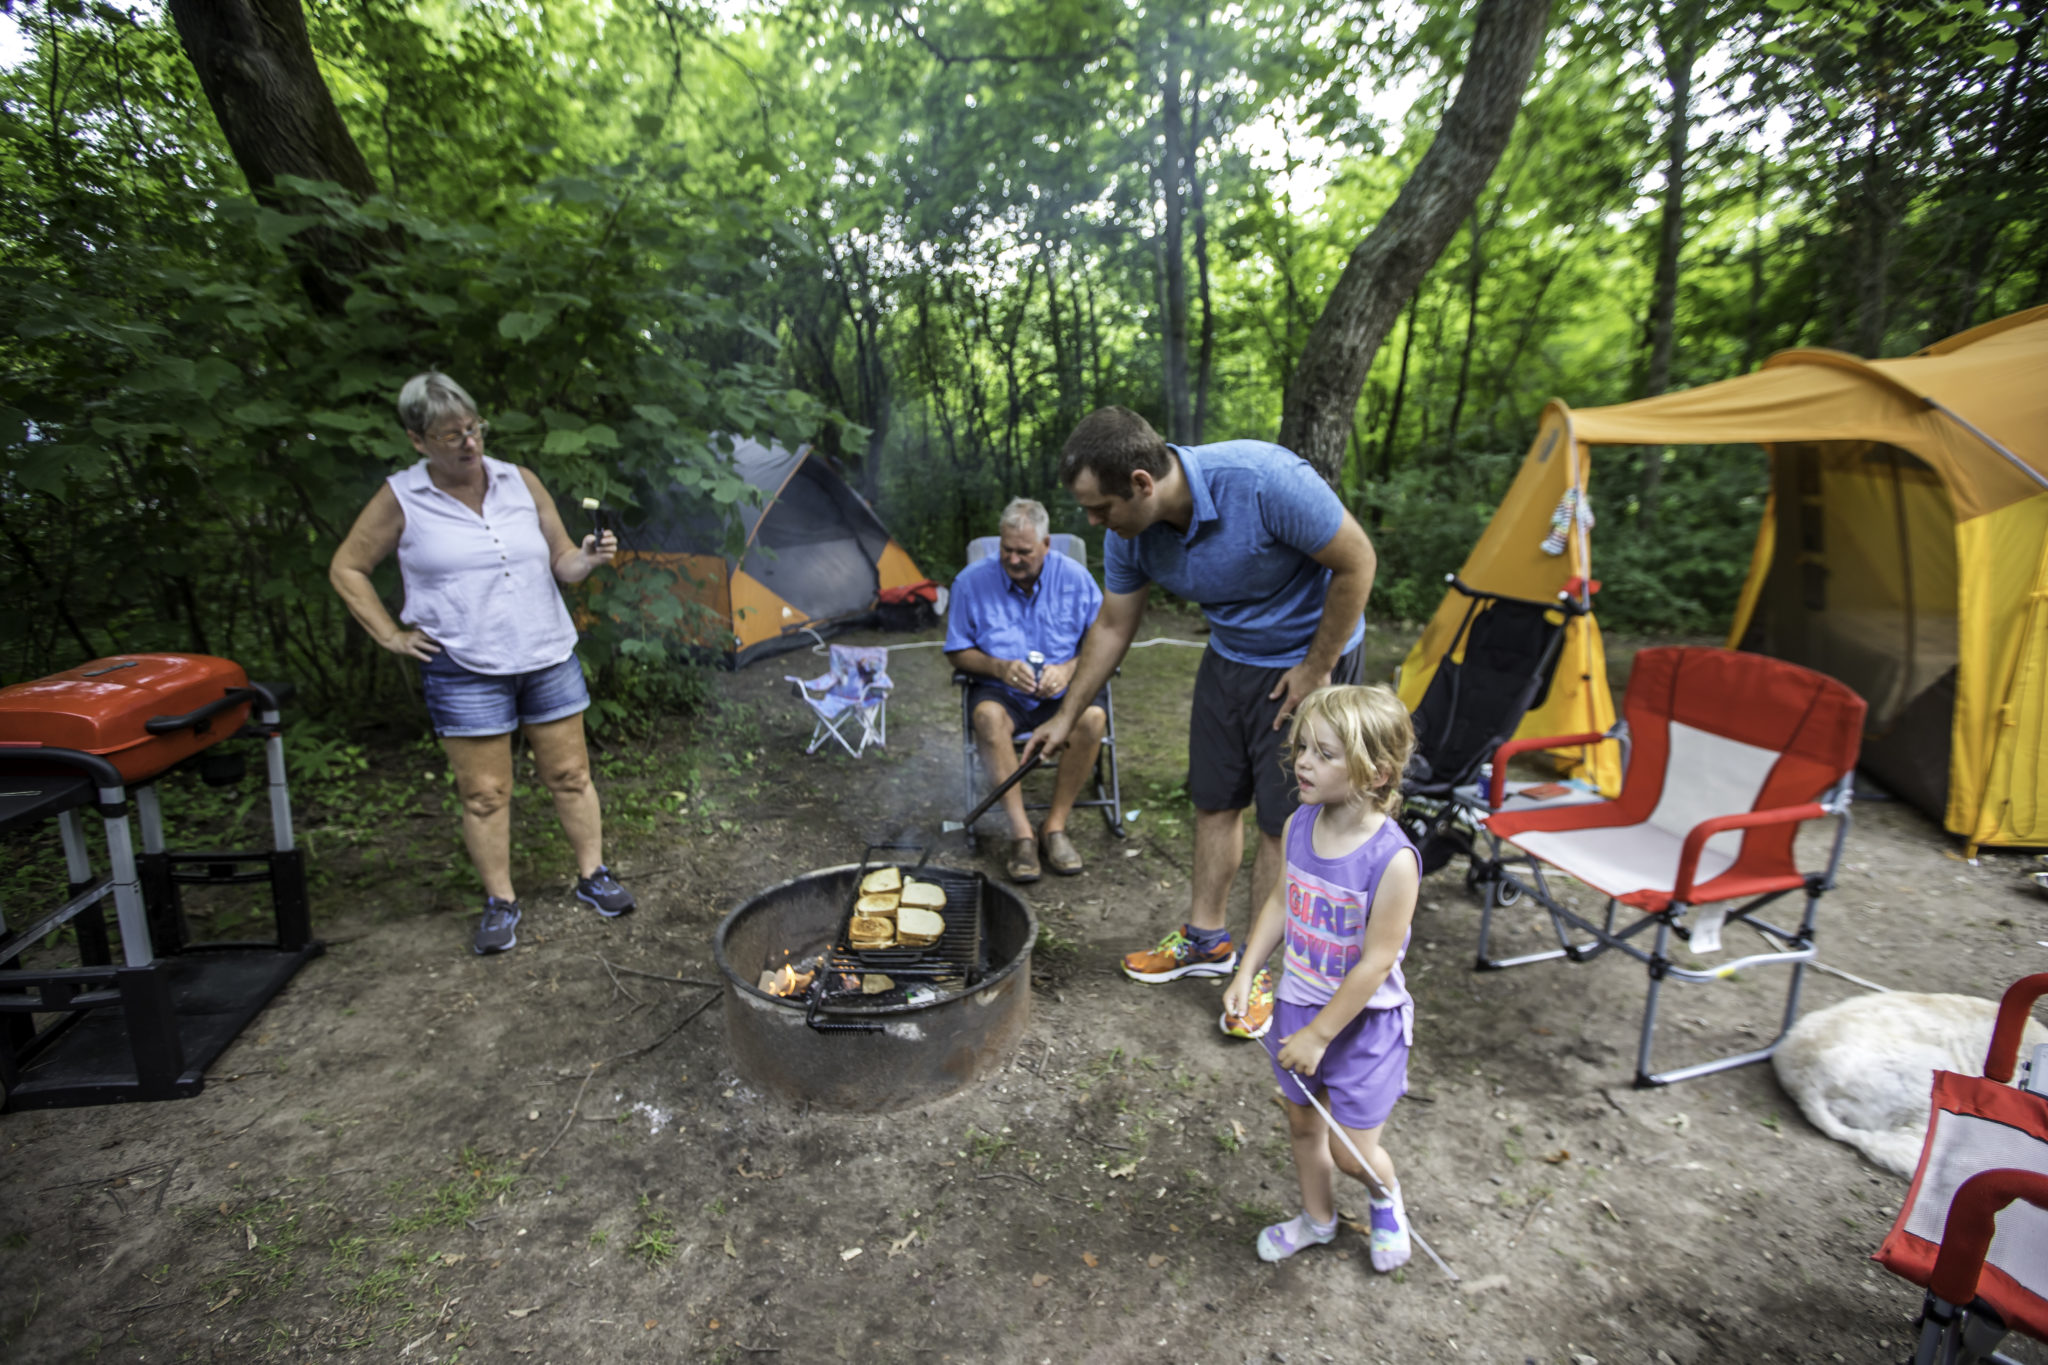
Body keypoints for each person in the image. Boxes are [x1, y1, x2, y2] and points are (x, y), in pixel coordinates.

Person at [1021, 407, 1377, 1038]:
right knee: (1214, 801)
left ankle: (1263, 969)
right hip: (1231, 658)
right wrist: (1065, 715)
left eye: (1099, 507)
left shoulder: (1264, 480)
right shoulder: (1131, 533)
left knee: (1281, 822)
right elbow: (1112, 625)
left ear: (1141, 482)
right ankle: (1205, 939)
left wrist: (1318, 667)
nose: (1093, 522)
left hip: (1307, 658)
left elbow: (1357, 562)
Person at [329, 371, 636, 956]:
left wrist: (589, 558)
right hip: (463, 665)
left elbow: (562, 561)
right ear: (418, 440)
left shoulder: (519, 480)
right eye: (451, 436)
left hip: (546, 654)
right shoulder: (402, 496)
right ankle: (501, 901)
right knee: (486, 794)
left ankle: (593, 876)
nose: (469, 443)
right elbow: (347, 567)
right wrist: (390, 634)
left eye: (474, 429)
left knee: (572, 776)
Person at [1220, 684, 1420, 1273]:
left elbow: (1376, 963)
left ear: (1376, 772)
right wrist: (1249, 968)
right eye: (1303, 747)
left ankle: (1387, 1203)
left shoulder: (1393, 860)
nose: (1303, 761)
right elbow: (1283, 900)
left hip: (1364, 1025)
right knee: (1304, 1122)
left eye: (1325, 753)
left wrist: (1321, 1036)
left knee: (1351, 1150)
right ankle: (1317, 1218)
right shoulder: (1300, 824)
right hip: (1298, 1006)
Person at [945, 498, 1109, 882]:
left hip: (1063, 692)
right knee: (985, 717)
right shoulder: (971, 582)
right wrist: (998, 667)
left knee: (1093, 718)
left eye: (1024, 552)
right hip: (1003, 691)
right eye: (1007, 550)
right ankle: (1021, 833)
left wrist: (1070, 669)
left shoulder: (1075, 579)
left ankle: (1054, 827)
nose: (1014, 559)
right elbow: (957, 651)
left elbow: (1102, 643)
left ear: (1047, 544)